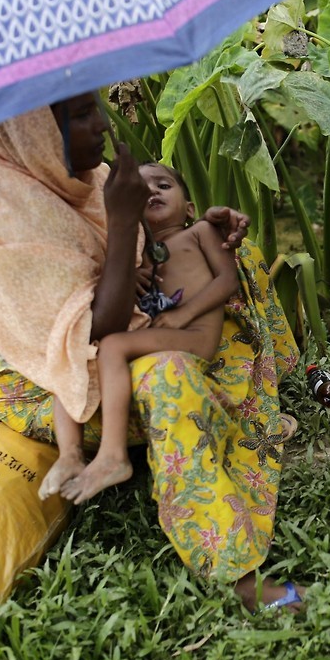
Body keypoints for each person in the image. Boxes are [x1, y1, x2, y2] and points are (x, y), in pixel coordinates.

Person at [0, 94, 304, 613]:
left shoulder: (81, 178)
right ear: (32, 135)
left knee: (230, 251)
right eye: (78, 116)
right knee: (171, 374)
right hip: (46, 383)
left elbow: (148, 255)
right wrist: (121, 227)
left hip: (115, 340)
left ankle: (276, 379)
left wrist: (204, 224)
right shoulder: (5, 221)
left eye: (95, 108)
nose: (101, 125)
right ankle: (236, 575)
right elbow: (95, 330)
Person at [39, 163, 240, 505]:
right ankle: (69, 453)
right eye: (143, 190)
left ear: (189, 208)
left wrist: (184, 315)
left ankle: (113, 456)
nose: (153, 192)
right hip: (157, 336)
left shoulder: (200, 232)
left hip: (194, 335)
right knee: (77, 350)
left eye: (163, 185)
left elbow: (227, 280)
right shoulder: (139, 253)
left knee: (114, 346)